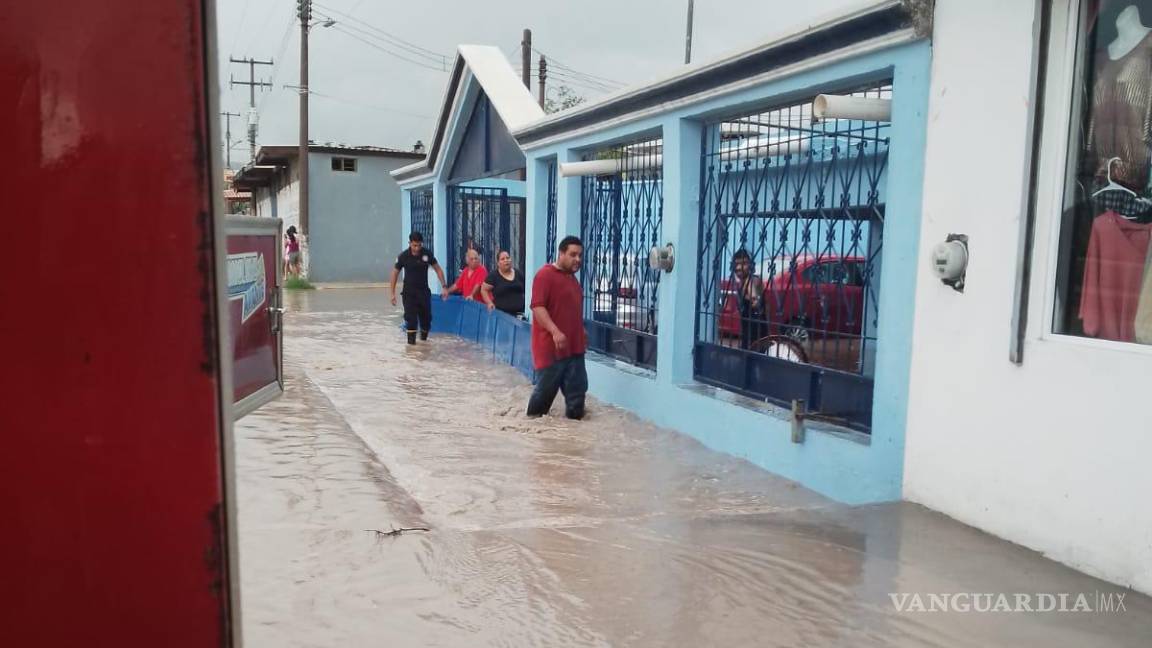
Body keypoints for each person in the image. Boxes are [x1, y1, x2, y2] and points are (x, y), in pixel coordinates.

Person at [526, 236, 588, 419]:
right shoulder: (545, 275)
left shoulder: (573, 281)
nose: (577, 259)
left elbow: (568, 311)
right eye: (573, 254)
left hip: (575, 349)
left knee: (577, 397)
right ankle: (530, 436)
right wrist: (555, 332)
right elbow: (537, 307)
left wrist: (580, 330)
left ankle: (572, 440)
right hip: (551, 349)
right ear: (561, 253)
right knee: (543, 398)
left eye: (580, 255)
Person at [390, 232, 448, 344]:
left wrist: (444, 286)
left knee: (426, 320)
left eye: (419, 245)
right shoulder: (403, 256)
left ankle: (424, 345)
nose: (417, 248)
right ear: (409, 243)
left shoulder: (427, 254)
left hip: (423, 293)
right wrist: (392, 293)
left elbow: (438, 269)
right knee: (411, 321)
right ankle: (411, 349)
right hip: (409, 294)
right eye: (414, 245)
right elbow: (394, 273)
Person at [731, 249, 766, 349]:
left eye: (744, 263)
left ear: (750, 265)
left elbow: (756, 302)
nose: (739, 268)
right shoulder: (744, 283)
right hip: (748, 336)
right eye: (736, 264)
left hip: (756, 337)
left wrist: (755, 300)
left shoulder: (752, 281)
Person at [481, 250, 526, 317]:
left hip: (519, 315)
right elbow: (483, 290)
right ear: (498, 263)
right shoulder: (493, 276)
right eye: (502, 259)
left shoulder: (518, 274)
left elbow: (526, 290)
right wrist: (489, 303)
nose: (506, 260)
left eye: (508, 258)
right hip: (502, 316)